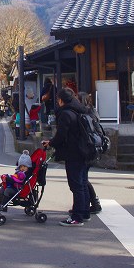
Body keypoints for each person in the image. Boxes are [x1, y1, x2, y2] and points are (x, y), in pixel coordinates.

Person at [42, 87, 93, 227]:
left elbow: (61, 136)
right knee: (82, 183)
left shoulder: (66, 114)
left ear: (61, 100)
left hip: (74, 153)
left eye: (58, 99)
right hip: (85, 151)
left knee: (76, 185)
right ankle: (84, 212)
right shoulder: (80, 110)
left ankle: (77, 217)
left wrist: (50, 143)